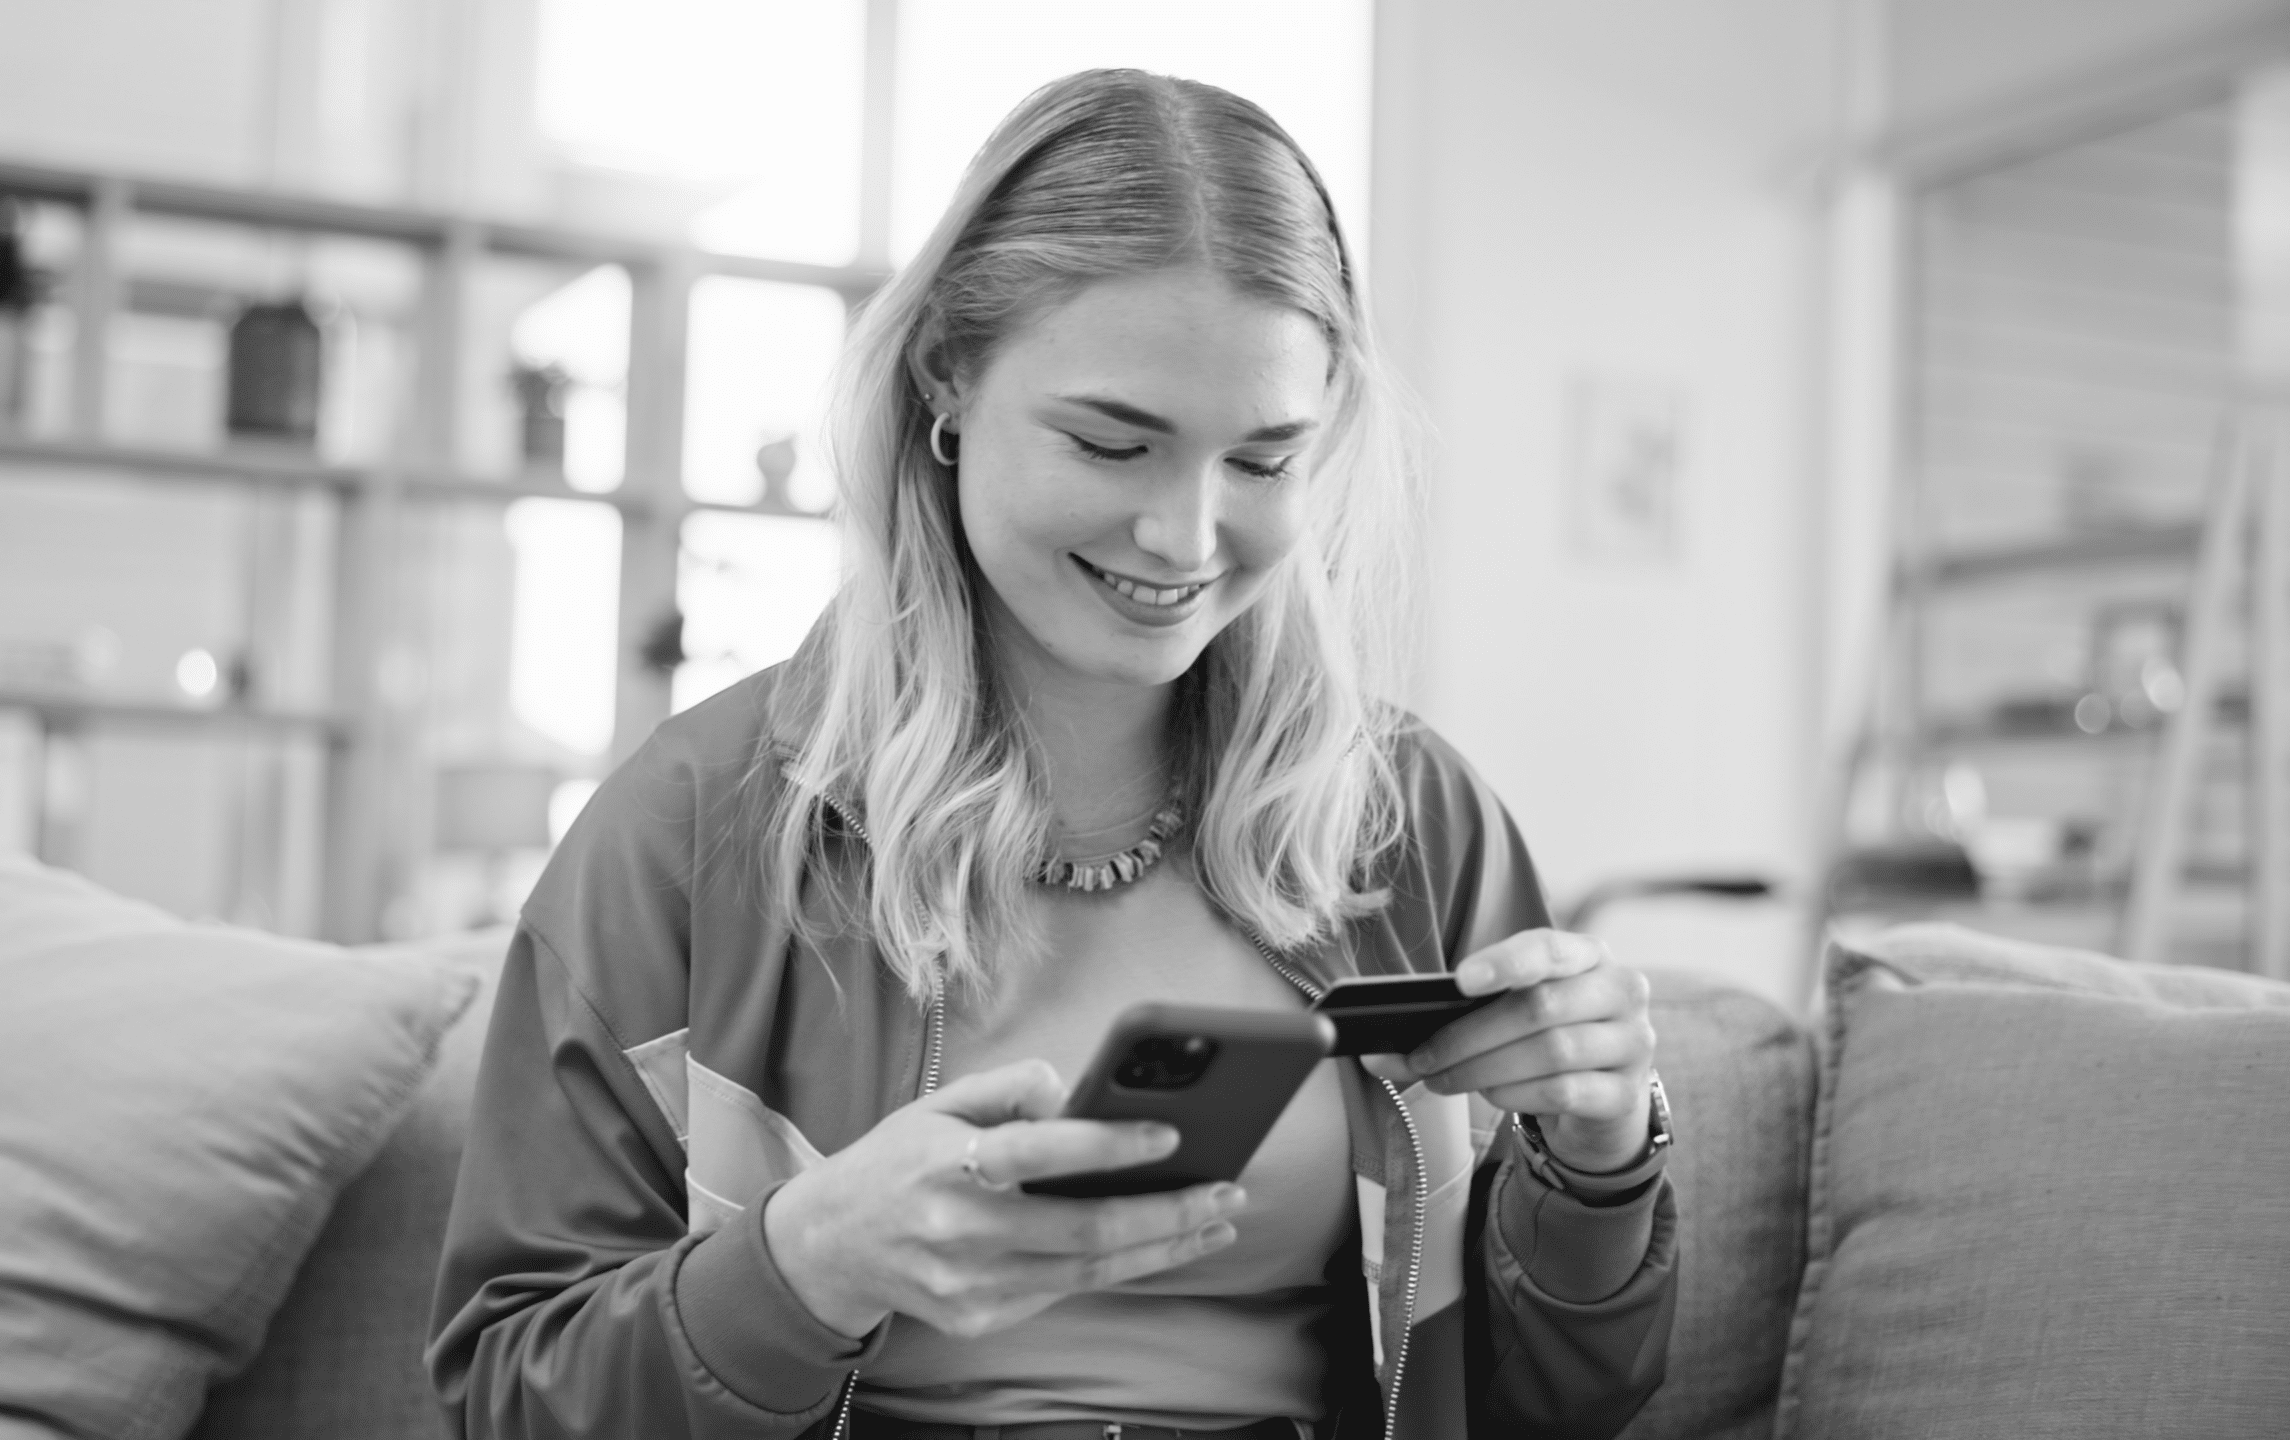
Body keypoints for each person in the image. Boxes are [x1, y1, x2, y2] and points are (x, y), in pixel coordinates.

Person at [427, 68, 1676, 1440]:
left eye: (1263, 464)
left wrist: (1601, 1161)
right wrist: (807, 1269)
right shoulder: (694, 828)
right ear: (946, 386)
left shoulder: (1410, 821)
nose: (1187, 539)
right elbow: (503, 1402)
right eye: (1111, 442)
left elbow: (1566, 1411)